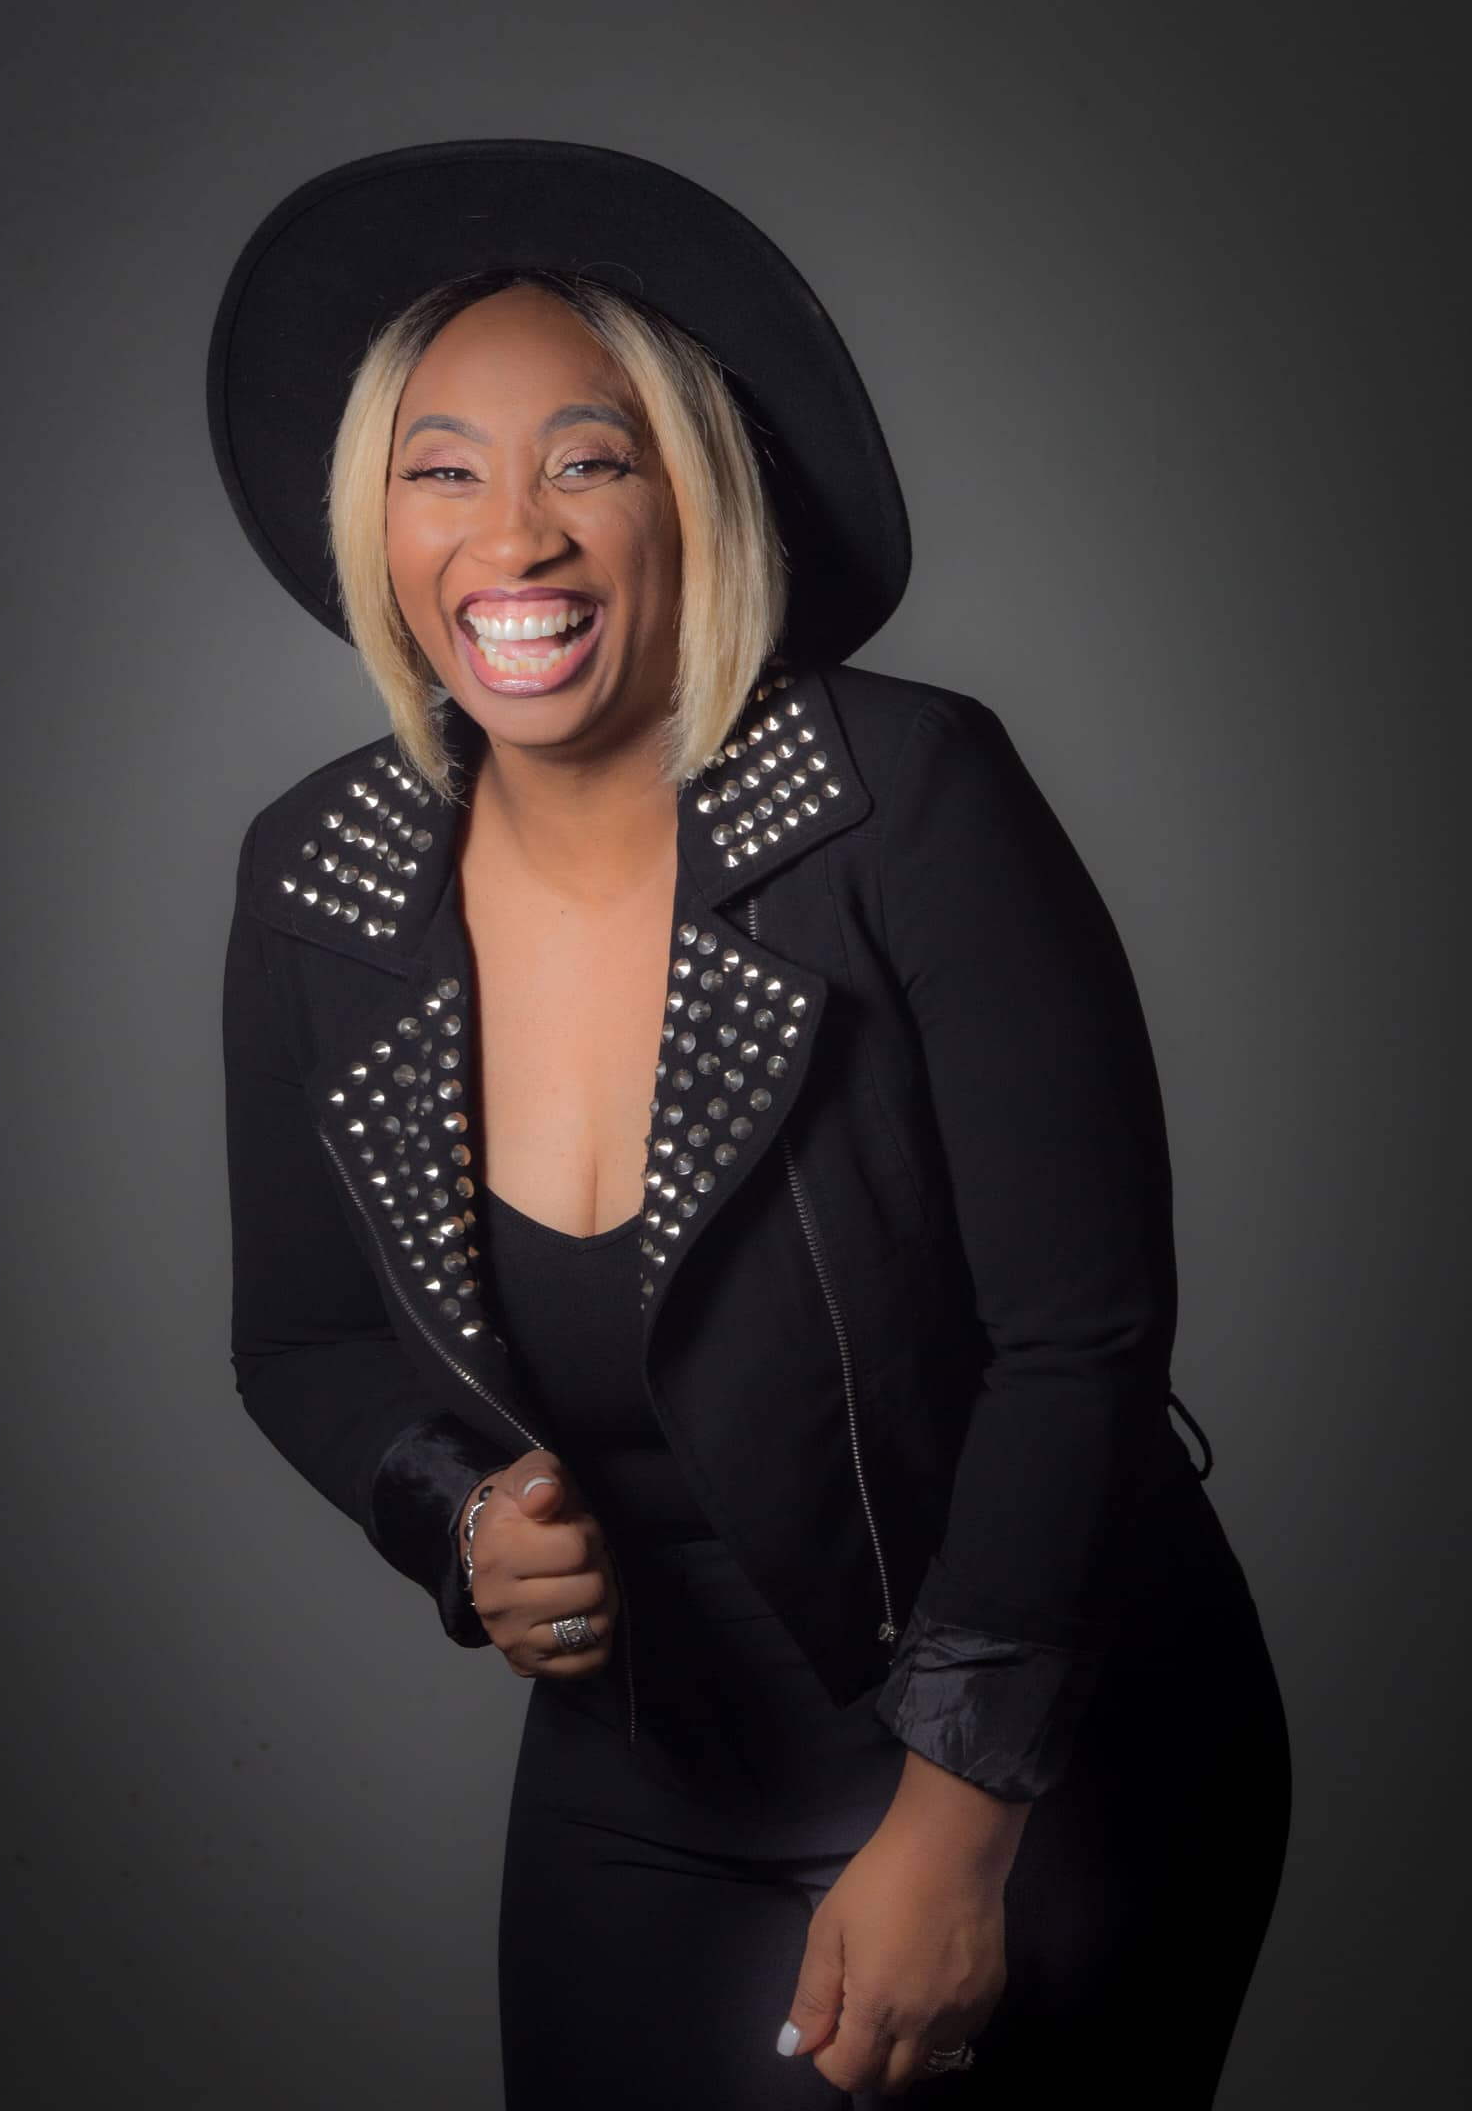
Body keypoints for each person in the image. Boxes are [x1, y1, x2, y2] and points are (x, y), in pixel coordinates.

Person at [212, 140, 1292, 2107]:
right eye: (442, 471)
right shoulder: (321, 880)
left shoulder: (906, 797)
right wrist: (455, 1509)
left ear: (694, 496)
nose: (512, 537)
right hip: (646, 1772)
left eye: (589, 462)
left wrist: (957, 1821)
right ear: (376, 520)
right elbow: (301, 1340)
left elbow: (1079, 1341)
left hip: (1045, 1742)